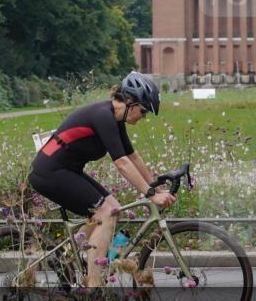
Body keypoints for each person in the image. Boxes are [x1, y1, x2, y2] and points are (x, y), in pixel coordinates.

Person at [28, 72, 175, 287]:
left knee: (112, 207)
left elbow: (133, 156)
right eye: (143, 111)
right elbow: (122, 163)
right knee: (107, 212)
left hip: (65, 170)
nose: (142, 117)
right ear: (129, 102)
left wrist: (156, 186)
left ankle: (65, 257)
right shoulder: (103, 116)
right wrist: (151, 194)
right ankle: (94, 288)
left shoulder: (115, 119)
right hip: (49, 172)